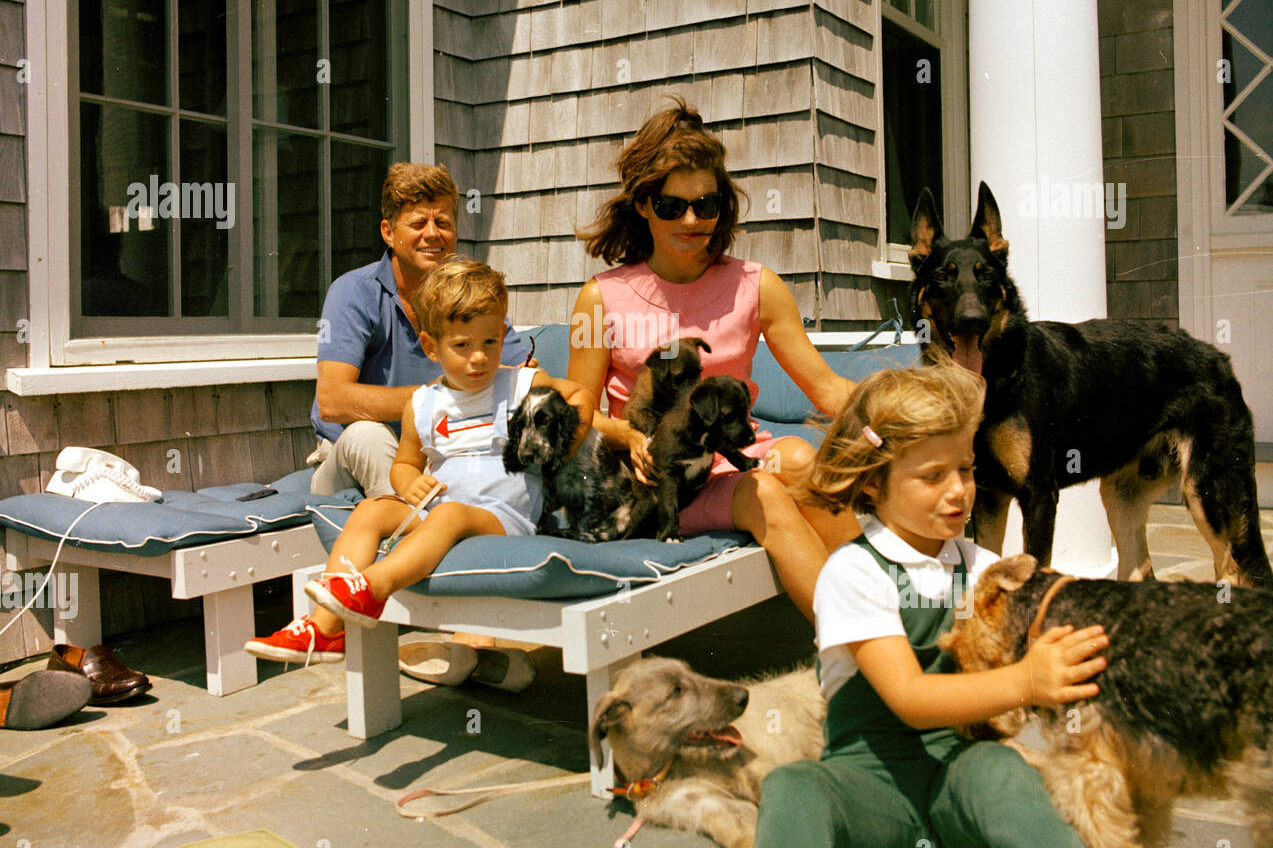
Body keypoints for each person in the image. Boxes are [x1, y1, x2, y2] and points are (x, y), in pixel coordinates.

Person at [752, 361, 1144, 848]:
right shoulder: (854, 573)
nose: (959, 491)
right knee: (792, 790)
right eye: (933, 476)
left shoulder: (979, 562)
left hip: (960, 782)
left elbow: (1048, 610)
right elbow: (907, 696)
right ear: (873, 485)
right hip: (869, 788)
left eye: (964, 469)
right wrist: (1026, 682)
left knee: (1007, 772)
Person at [567, 97, 859, 620]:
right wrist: (630, 436)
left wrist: (913, 417)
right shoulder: (600, 298)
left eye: (707, 204)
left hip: (734, 461)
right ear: (642, 205)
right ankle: (862, 651)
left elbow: (828, 389)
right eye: (671, 205)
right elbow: (579, 410)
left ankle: (895, 618)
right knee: (765, 493)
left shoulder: (757, 286)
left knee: (796, 459)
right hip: (657, 482)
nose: (692, 219)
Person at [246, 163, 530, 676]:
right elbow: (333, 400)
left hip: (438, 459)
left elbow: (514, 375)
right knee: (369, 434)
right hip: (348, 455)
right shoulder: (354, 292)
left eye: (443, 222)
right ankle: (461, 633)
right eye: (418, 222)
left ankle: (347, 622)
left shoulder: (466, 299)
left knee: (458, 485)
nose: (433, 234)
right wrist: (437, 398)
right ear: (388, 232)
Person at [303, 259, 595, 691]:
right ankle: (323, 627)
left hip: (502, 519)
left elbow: (579, 395)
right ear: (431, 345)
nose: (479, 357)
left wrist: (566, 444)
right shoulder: (422, 404)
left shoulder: (521, 384)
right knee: (371, 510)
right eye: (462, 345)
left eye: (491, 342)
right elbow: (404, 463)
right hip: (441, 509)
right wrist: (406, 483)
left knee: (451, 516)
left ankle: (370, 589)